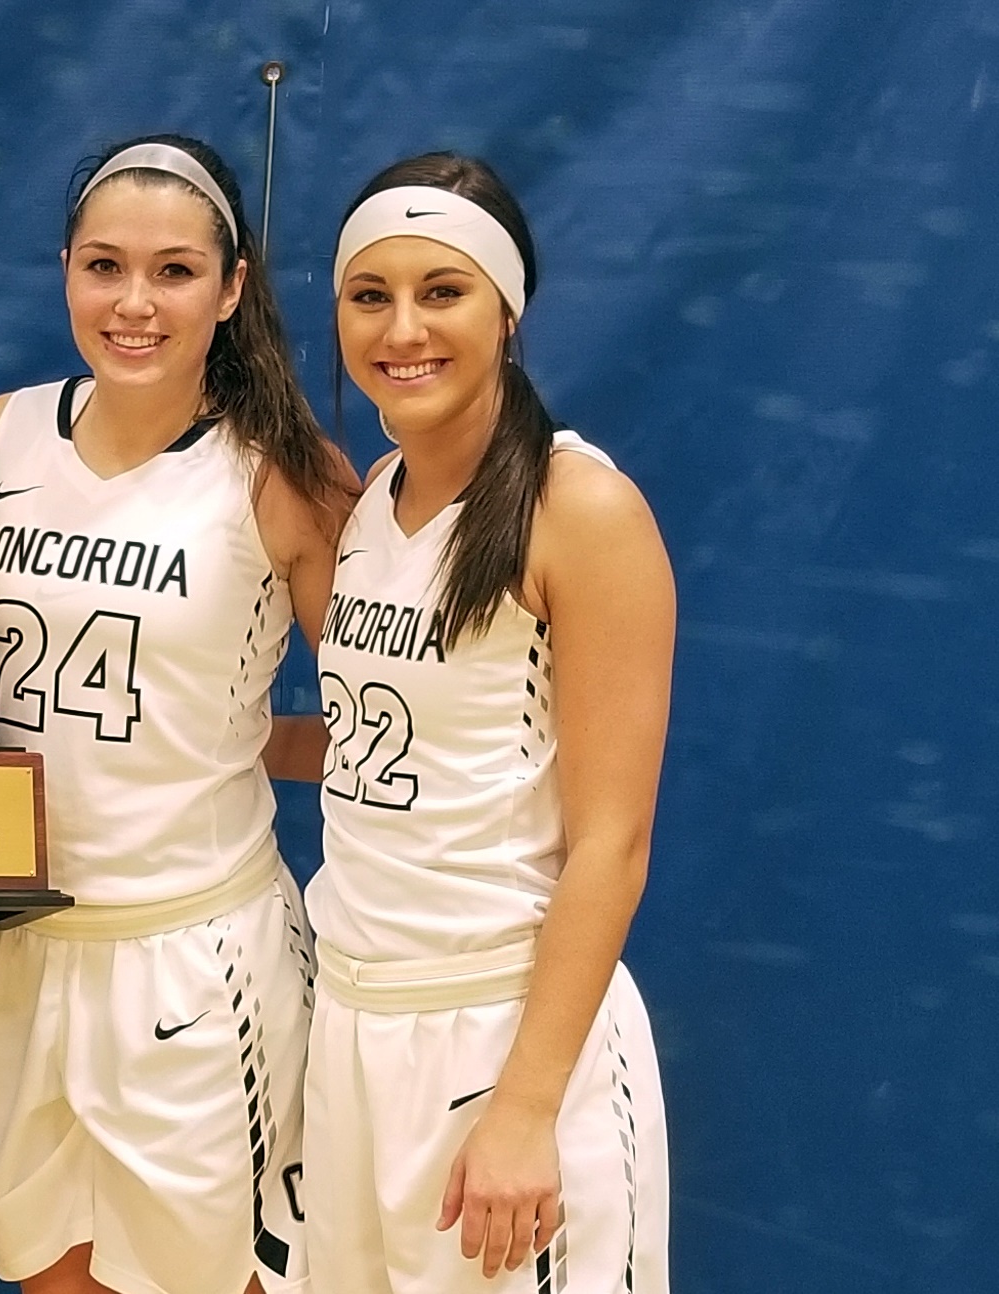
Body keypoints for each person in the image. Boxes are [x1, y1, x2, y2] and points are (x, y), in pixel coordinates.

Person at [0, 134, 356, 1294]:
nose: (134, 302)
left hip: (194, 959)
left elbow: (389, 724)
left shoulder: (279, 471)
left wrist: (233, 743)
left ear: (230, 289)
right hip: (17, 948)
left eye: (174, 271)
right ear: (66, 273)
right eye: (103, 265)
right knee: (49, 1275)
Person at [303, 151, 674, 1294]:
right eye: (370, 295)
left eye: (441, 290)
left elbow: (609, 844)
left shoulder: (581, 509)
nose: (400, 327)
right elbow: (394, 750)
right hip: (353, 1026)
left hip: (505, 1040)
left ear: (506, 311)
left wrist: (523, 1108)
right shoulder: (373, 496)